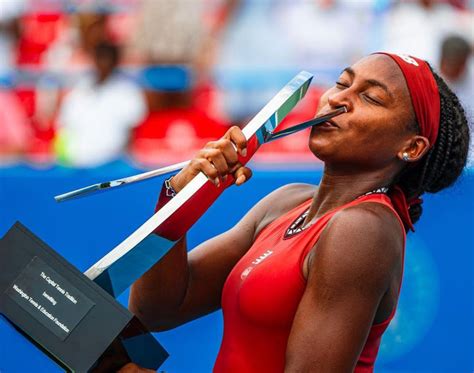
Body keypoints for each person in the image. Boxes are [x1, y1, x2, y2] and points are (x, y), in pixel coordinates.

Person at [122, 53, 470, 372]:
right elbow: (157, 308)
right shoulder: (286, 203)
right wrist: (179, 198)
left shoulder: (364, 230)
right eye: (342, 83)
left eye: (370, 97)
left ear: (411, 146)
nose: (337, 100)